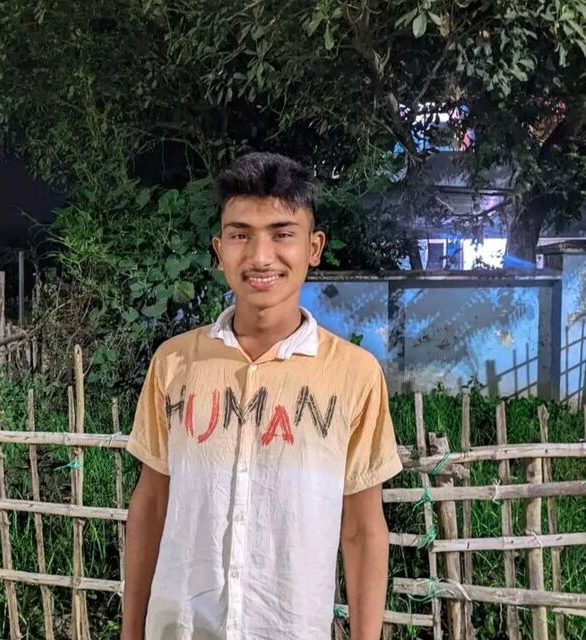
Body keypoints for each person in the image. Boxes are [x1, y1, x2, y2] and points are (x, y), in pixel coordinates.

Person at [121, 152, 403, 640]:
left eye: (281, 233)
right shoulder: (174, 363)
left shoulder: (354, 376)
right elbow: (151, 505)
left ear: (314, 247)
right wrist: (131, 631)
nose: (260, 256)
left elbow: (362, 530)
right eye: (240, 235)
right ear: (218, 250)